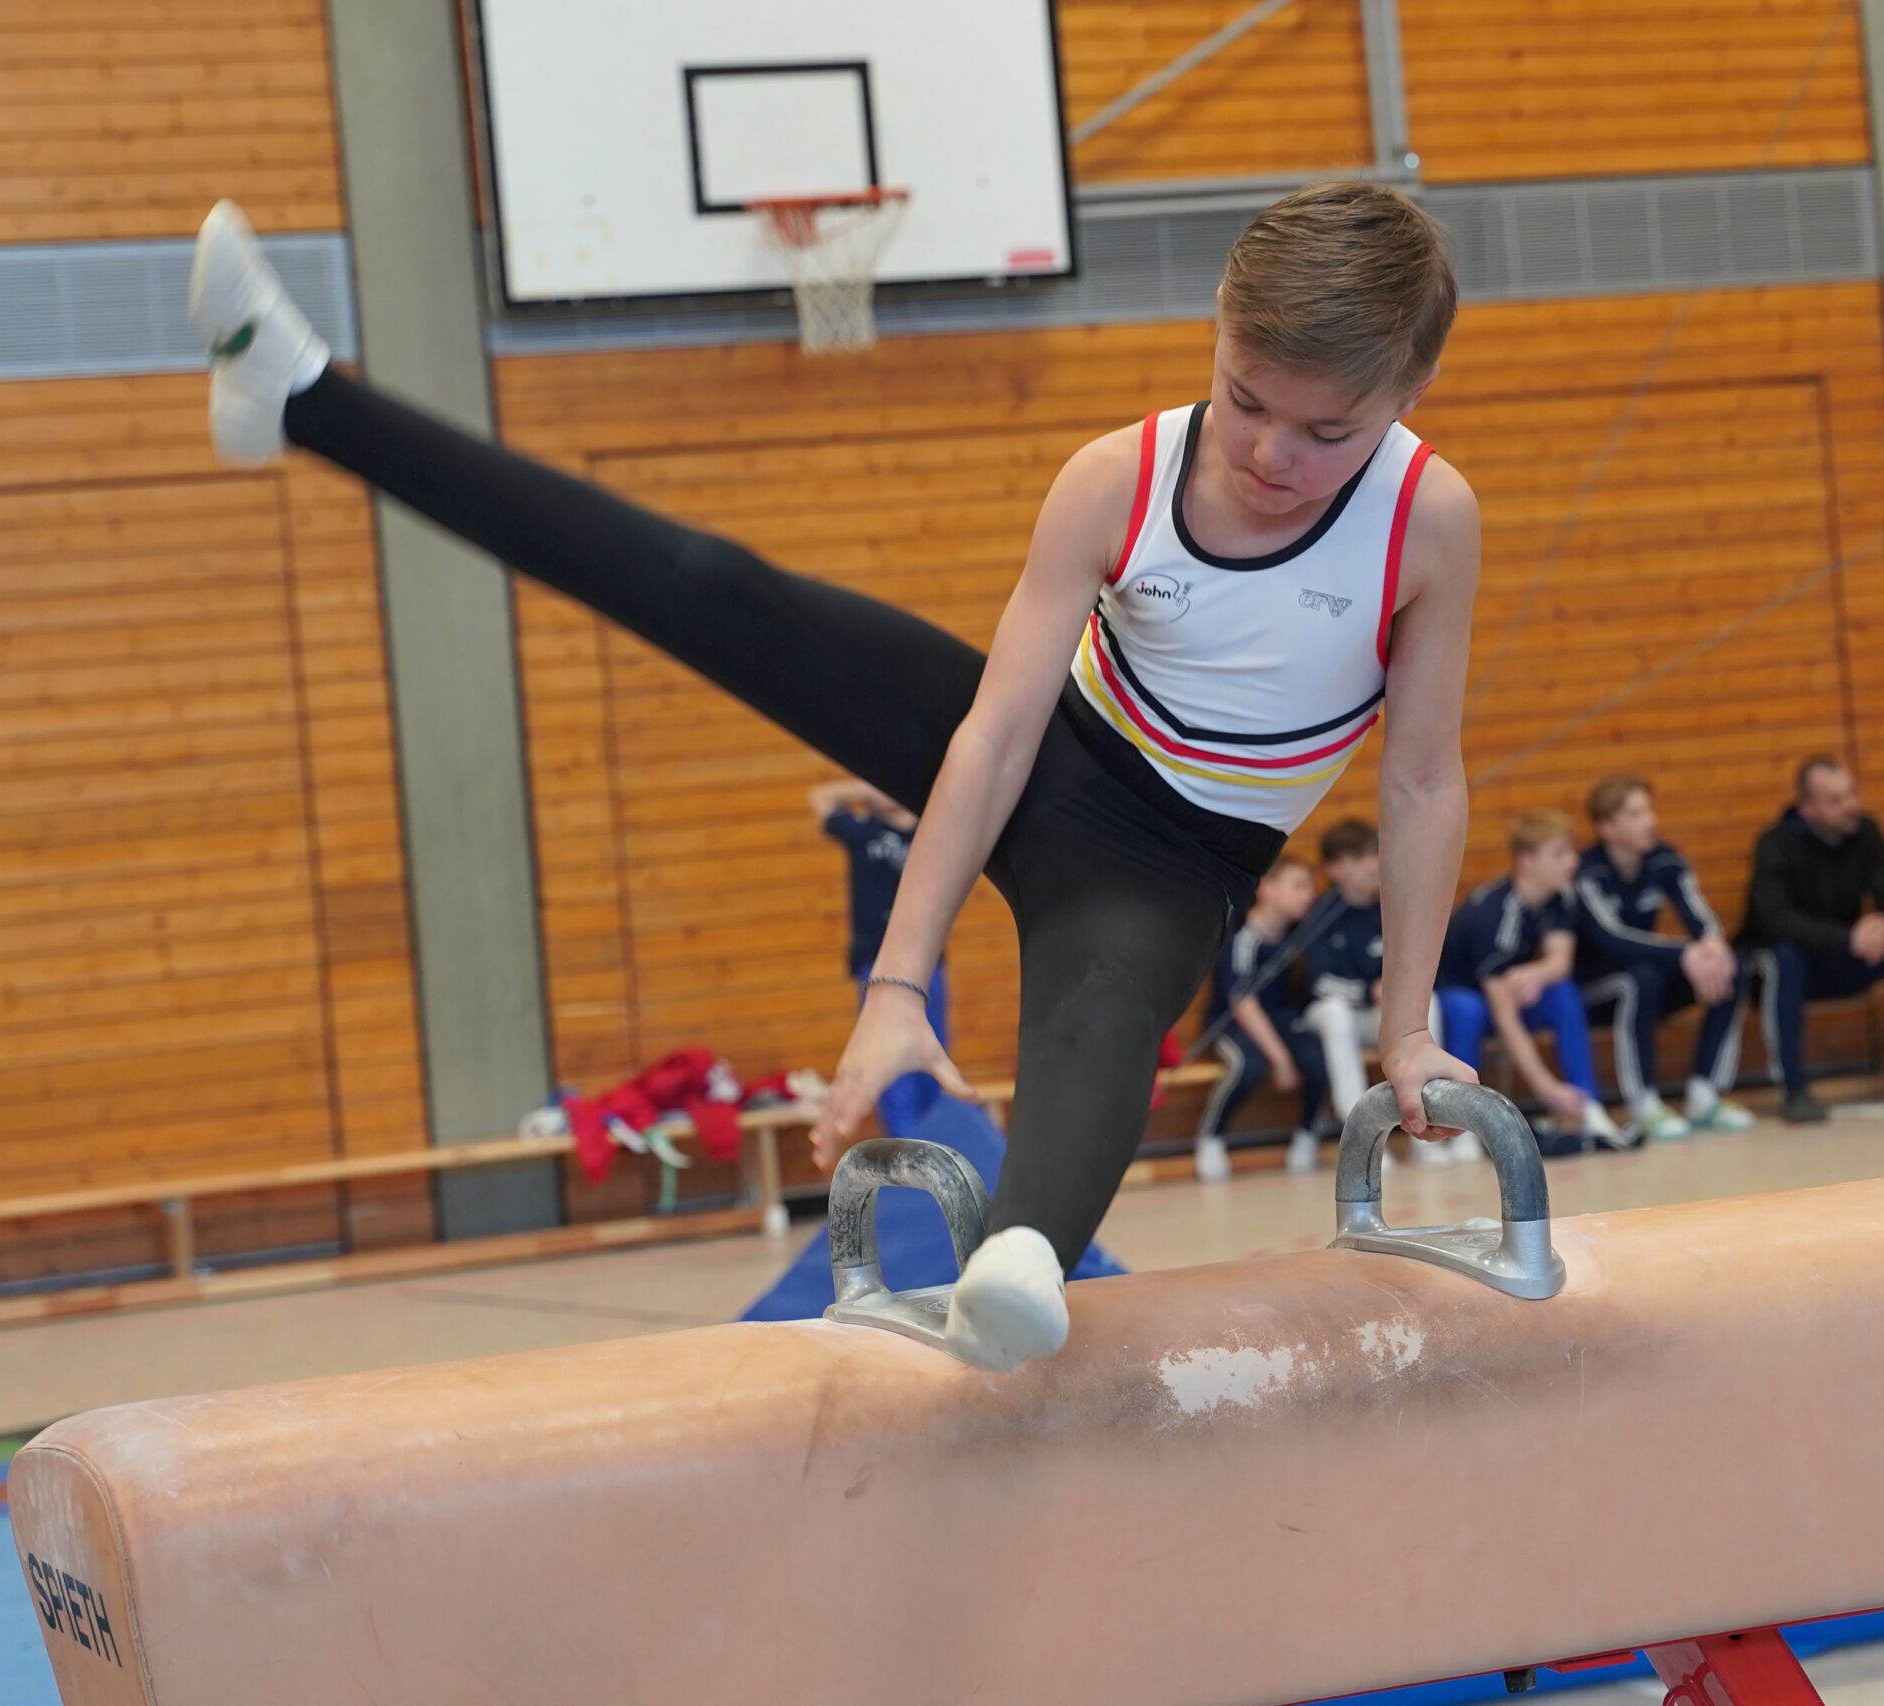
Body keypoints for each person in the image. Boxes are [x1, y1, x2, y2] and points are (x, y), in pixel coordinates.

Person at [187, 182, 1483, 1371]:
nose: (1268, 454)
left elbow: (1421, 782)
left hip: (1172, 864)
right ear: (1217, 330)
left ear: (1409, 391)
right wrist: (898, 984)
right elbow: (993, 737)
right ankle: (300, 393)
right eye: (1245, 399)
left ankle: (1017, 1261)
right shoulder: (1121, 477)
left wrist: (1407, 1025)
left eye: (1325, 431)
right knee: (713, 588)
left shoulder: (1426, 522)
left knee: (1102, 1016)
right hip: (1045, 749)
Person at [1739, 757, 1884, 1122]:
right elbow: (1775, 920)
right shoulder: (1776, 844)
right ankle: (1794, 1090)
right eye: (1836, 801)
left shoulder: (1866, 833)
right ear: (1808, 810)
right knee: (1784, 959)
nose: (1851, 806)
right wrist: (1848, 938)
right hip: (1796, 962)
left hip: (1850, 953)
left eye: (1851, 794)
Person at [1570, 776, 1756, 1141]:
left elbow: (1700, 918)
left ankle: (1705, 1094)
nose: (1650, 821)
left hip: (1649, 978)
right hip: (1594, 988)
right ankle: (1644, 1103)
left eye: (1649, 811)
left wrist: (1712, 947)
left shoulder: (1665, 859)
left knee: (1730, 966)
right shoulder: (1587, 872)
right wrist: (1684, 952)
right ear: (1607, 828)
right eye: (1636, 814)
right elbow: (1611, 939)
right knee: (1640, 978)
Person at [1436, 811, 1631, 1154]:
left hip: (1506, 993)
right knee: (1467, 1010)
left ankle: (1589, 1107)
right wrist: (1545, 1087)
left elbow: (1560, 962)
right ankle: (1461, 1126)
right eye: (1559, 854)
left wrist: (1535, 973)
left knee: (1562, 992)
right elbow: (1504, 1013)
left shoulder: (1560, 897)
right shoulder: (1493, 913)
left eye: (1571, 852)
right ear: (1526, 862)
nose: (1572, 862)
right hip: (1465, 997)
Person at [809, 779, 948, 1136]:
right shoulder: (863, 831)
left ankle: (938, 1147)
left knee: (931, 1061)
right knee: (890, 1069)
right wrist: (870, 788)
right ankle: (907, 1149)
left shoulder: (932, 831)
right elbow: (819, 797)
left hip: (926, 964)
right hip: (878, 965)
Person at [1196, 855, 1330, 1181]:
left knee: (1317, 1059)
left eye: (1310, 887)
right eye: (1298, 886)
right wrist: (1280, 1058)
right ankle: (1211, 1138)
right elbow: (1242, 1002)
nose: (1308, 895)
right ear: (1267, 888)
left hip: (1280, 1018)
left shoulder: (1300, 934)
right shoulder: (1244, 937)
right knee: (1248, 1065)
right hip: (1233, 1022)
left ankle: (1307, 1134)